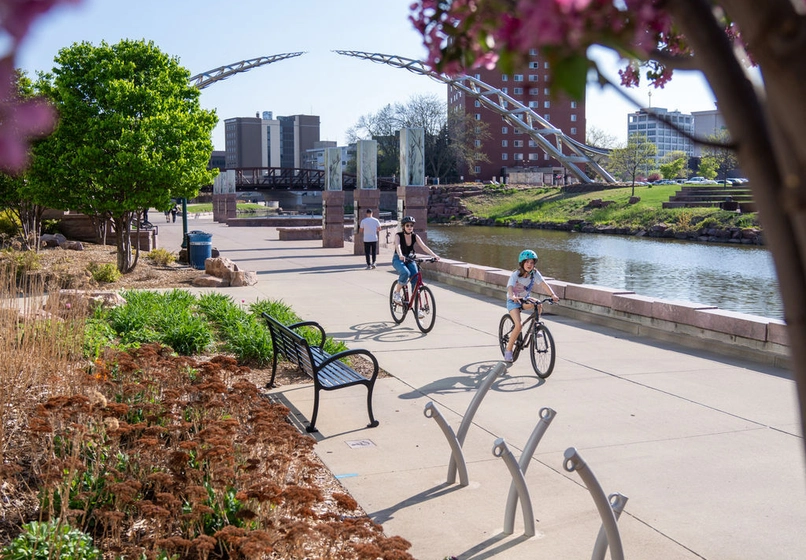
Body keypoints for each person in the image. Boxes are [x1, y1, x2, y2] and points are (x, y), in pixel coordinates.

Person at [504, 249, 559, 363]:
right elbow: (510, 287)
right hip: (513, 301)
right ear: (522, 263)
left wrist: (552, 295)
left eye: (532, 262)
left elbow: (543, 284)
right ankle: (508, 350)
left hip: (525, 299)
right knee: (518, 326)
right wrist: (512, 296)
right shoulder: (515, 274)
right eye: (527, 262)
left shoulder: (534, 273)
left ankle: (535, 328)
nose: (529, 265)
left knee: (538, 304)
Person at [392, 216, 440, 317]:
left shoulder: (415, 236)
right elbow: (398, 246)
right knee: (405, 273)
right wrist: (400, 255)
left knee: (416, 280)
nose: (410, 227)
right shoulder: (398, 235)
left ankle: (417, 308)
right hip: (398, 259)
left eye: (411, 225)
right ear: (403, 226)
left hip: (410, 259)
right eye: (407, 225)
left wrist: (434, 255)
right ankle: (397, 293)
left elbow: (423, 246)